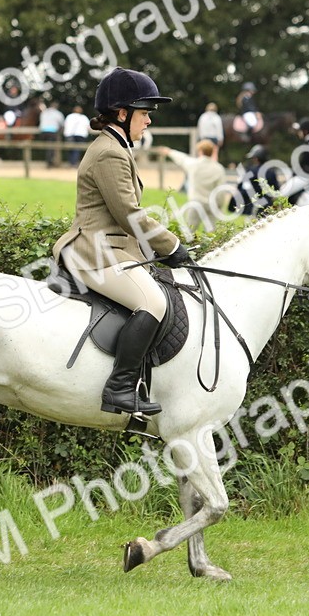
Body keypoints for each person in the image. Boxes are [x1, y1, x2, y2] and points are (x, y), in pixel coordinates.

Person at [52, 67, 189, 416]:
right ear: (123, 113)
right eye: (144, 114)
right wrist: (170, 247)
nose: (149, 122)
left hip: (111, 247)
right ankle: (119, 388)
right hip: (94, 251)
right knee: (154, 304)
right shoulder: (109, 152)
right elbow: (129, 212)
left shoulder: (116, 146)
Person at [159, 140, 228, 232]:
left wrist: (169, 152)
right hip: (212, 203)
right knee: (211, 232)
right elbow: (221, 190)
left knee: (189, 229)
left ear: (200, 151)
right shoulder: (218, 168)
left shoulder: (194, 164)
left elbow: (182, 159)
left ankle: (187, 245)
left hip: (196, 202)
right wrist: (219, 205)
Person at [231, 144, 281, 217]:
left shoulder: (251, 171)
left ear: (257, 158)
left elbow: (243, 190)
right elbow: (276, 190)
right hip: (269, 208)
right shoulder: (271, 171)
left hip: (254, 208)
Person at [38, 101, 64, 167]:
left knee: (47, 147)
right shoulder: (58, 113)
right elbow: (61, 124)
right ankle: (49, 162)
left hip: (43, 131)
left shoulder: (44, 112)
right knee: (51, 148)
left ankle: (48, 161)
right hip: (52, 131)